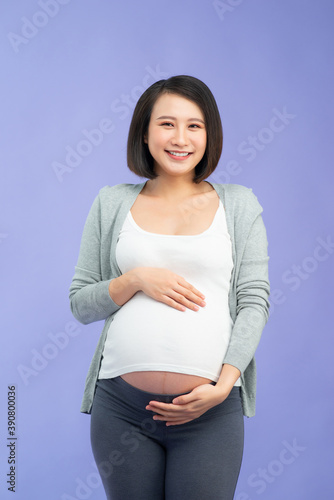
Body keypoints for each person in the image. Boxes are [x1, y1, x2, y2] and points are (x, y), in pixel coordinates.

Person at [69, 75, 270, 499]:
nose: (180, 138)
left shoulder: (239, 203)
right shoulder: (111, 201)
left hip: (209, 413)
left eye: (194, 125)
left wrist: (223, 385)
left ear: (209, 134)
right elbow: (81, 304)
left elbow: (254, 302)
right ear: (144, 132)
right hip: (120, 408)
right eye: (166, 124)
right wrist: (136, 279)